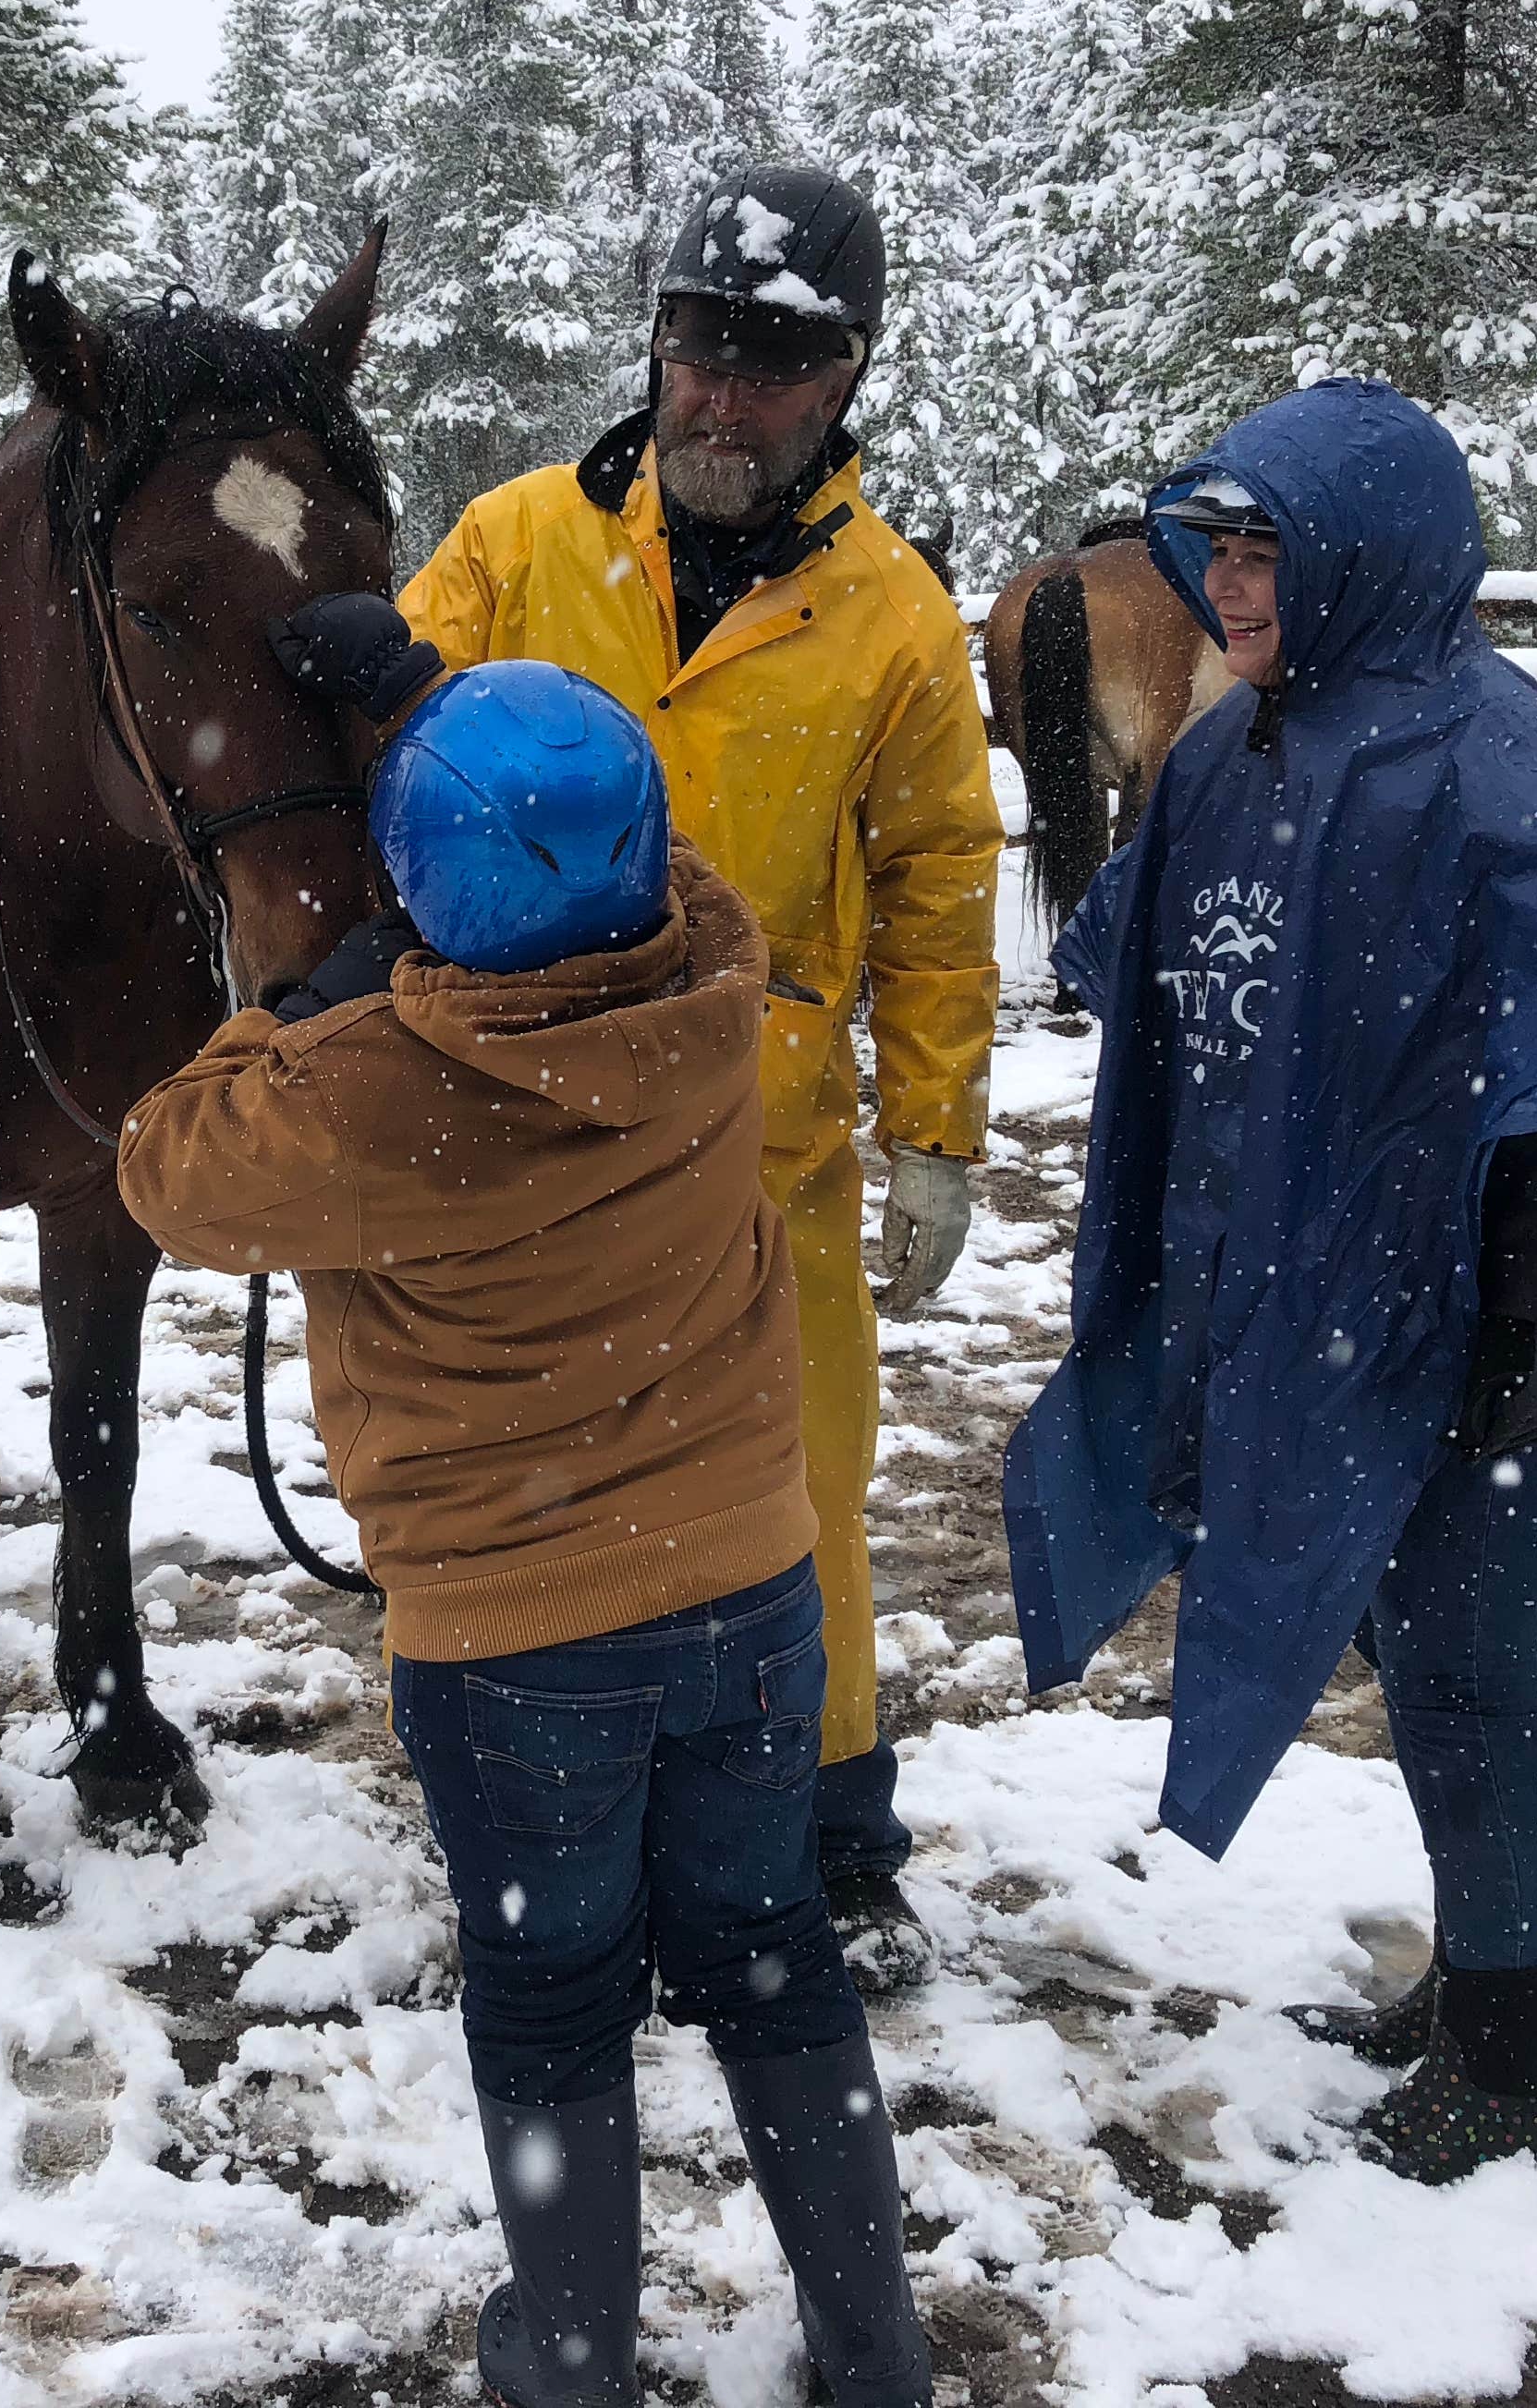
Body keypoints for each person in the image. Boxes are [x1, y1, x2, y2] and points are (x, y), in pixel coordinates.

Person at [1003, 381, 1537, 2183]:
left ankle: (1507, 2040)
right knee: (1399, 1641)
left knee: (1463, 1664)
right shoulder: (1244, 749)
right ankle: (1494, 1951)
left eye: (1268, 551)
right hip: (1304, 1283)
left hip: (1478, 1316)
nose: (1231, 587)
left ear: (1364, 556)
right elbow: (1153, 964)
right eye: (1219, 546)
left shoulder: (1508, 771)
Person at [119, 662, 936, 2408]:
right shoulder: (715, 985)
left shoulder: (359, 1094)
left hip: (513, 1646)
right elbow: (648, 850)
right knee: (771, 1944)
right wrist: (456, 728)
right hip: (751, 1589)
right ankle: (875, 2345)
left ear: (417, 886)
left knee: (552, 1988)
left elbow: (162, 1165)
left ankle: (568, 2353)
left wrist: (315, 984)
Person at [387, 161, 1004, 1984]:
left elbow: (941, 879)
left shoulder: (893, 615)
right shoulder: (515, 543)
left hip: (765, 1135)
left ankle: (827, 1824)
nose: (722, 391)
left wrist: (939, 1136)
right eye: (696, 344)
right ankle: (555, 1817)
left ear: (847, 379)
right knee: (532, 1479)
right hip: (524, 1117)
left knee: (796, 1484)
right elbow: (392, 767)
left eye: (775, 359)